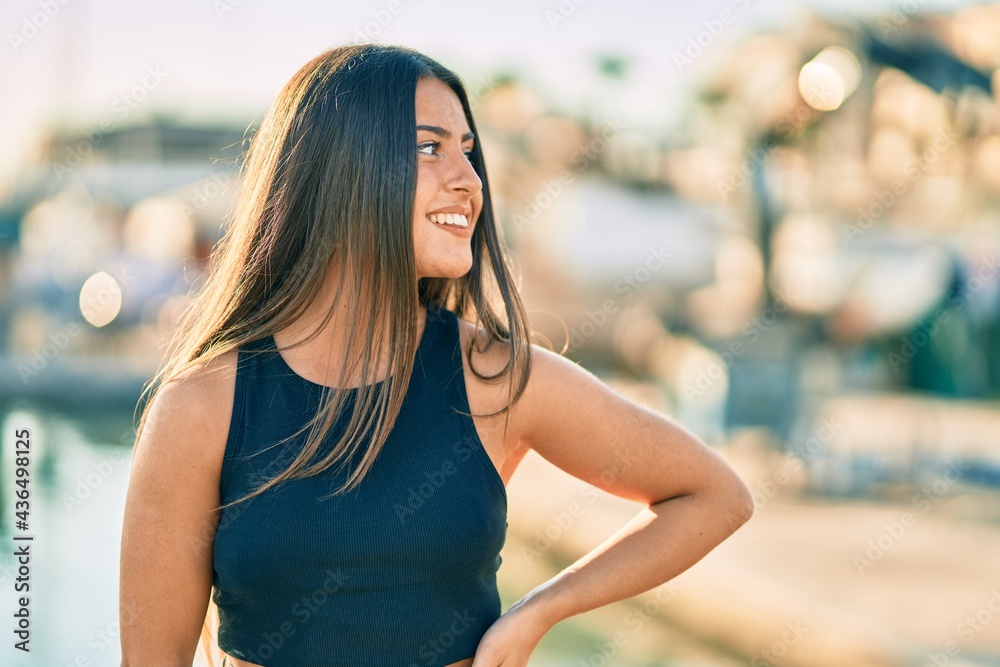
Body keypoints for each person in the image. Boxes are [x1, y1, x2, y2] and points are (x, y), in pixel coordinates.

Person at [118, 42, 754, 667]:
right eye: (430, 148)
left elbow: (712, 495)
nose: (469, 182)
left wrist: (539, 610)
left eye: (469, 153)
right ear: (343, 170)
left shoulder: (494, 378)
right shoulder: (202, 407)